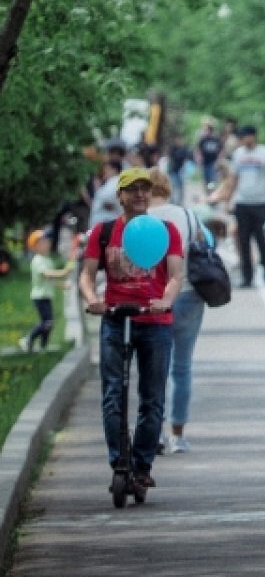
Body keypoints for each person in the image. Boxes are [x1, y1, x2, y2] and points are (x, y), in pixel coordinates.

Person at [78, 167, 185, 491]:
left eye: (144, 189)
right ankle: (119, 462)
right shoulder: (104, 231)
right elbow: (86, 274)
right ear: (120, 196)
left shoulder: (165, 231)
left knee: (152, 399)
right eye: (132, 189)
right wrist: (92, 298)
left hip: (154, 322)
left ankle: (142, 464)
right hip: (116, 319)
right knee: (113, 395)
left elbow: (175, 275)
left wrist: (165, 300)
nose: (139, 194)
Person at [146, 168, 207, 454]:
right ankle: (178, 434)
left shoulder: (139, 220)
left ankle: (155, 432)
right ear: (167, 188)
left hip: (151, 298)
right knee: (181, 367)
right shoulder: (187, 214)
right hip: (188, 295)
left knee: (153, 368)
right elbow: (205, 246)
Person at [211, 125, 265, 288]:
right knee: (243, 239)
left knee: (261, 238)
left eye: (244, 137)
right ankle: (247, 275)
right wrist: (228, 200)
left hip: (260, 201)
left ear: (252, 136)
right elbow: (233, 179)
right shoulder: (239, 155)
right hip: (242, 201)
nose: (242, 140)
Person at [20, 230, 74, 352]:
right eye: (43, 242)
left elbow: (50, 281)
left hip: (46, 296)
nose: (47, 243)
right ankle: (28, 339)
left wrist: (62, 285)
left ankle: (43, 347)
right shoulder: (37, 260)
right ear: (35, 246)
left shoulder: (47, 260)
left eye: (47, 241)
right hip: (39, 297)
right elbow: (48, 274)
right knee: (47, 322)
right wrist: (64, 272)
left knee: (49, 324)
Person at [194, 121, 223, 189]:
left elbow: (221, 150)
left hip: (213, 162)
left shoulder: (216, 139)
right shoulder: (203, 139)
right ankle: (208, 195)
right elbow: (198, 150)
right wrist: (199, 162)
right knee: (206, 180)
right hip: (205, 162)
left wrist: (219, 161)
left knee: (212, 179)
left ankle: (211, 194)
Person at [166, 133, 193, 205]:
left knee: (181, 187)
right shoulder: (173, 148)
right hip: (173, 170)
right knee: (173, 186)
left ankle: (180, 202)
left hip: (180, 171)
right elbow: (170, 158)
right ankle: (172, 201)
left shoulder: (184, 149)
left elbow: (187, 158)